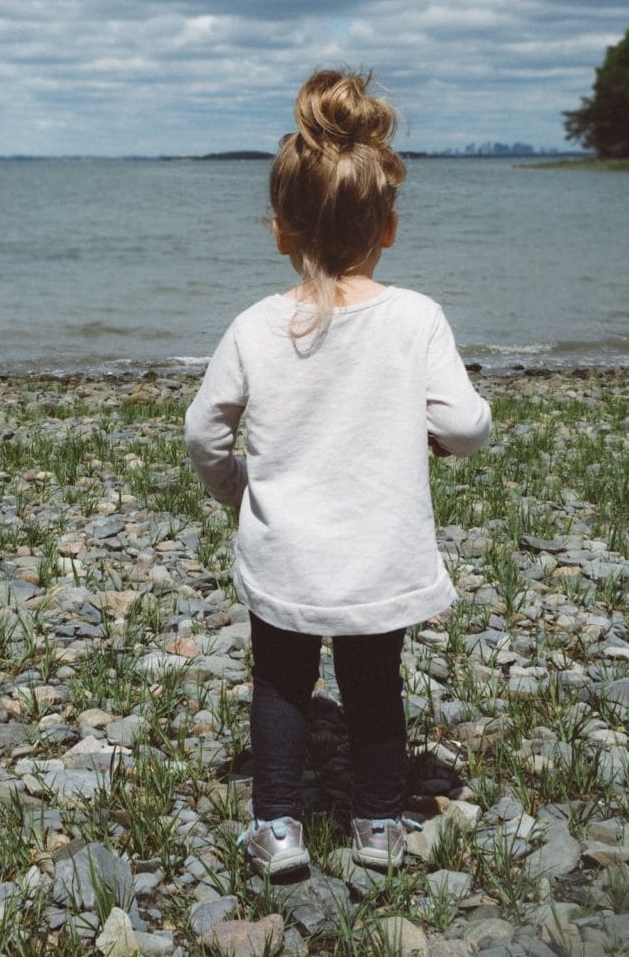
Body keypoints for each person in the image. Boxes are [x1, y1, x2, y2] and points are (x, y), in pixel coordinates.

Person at [184, 69, 491, 878]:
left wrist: (236, 487)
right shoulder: (416, 317)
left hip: (287, 548)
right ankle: (379, 824)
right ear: (387, 228)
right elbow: (463, 422)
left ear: (280, 231)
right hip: (378, 548)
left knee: (282, 683)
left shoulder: (257, 325)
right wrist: (439, 443)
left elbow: (203, 429)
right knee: (374, 681)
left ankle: (279, 828)